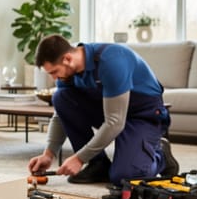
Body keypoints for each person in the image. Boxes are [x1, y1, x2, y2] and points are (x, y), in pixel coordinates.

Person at [27, 34, 178, 185]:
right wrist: (48, 154)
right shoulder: (68, 74)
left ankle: (161, 155)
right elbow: (61, 114)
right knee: (61, 97)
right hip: (112, 112)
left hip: (142, 115)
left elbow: (115, 122)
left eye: (54, 72)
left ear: (67, 59)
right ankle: (98, 165)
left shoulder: (112, 61)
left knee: (125, 178)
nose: (54, 78)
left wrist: (79, 158)